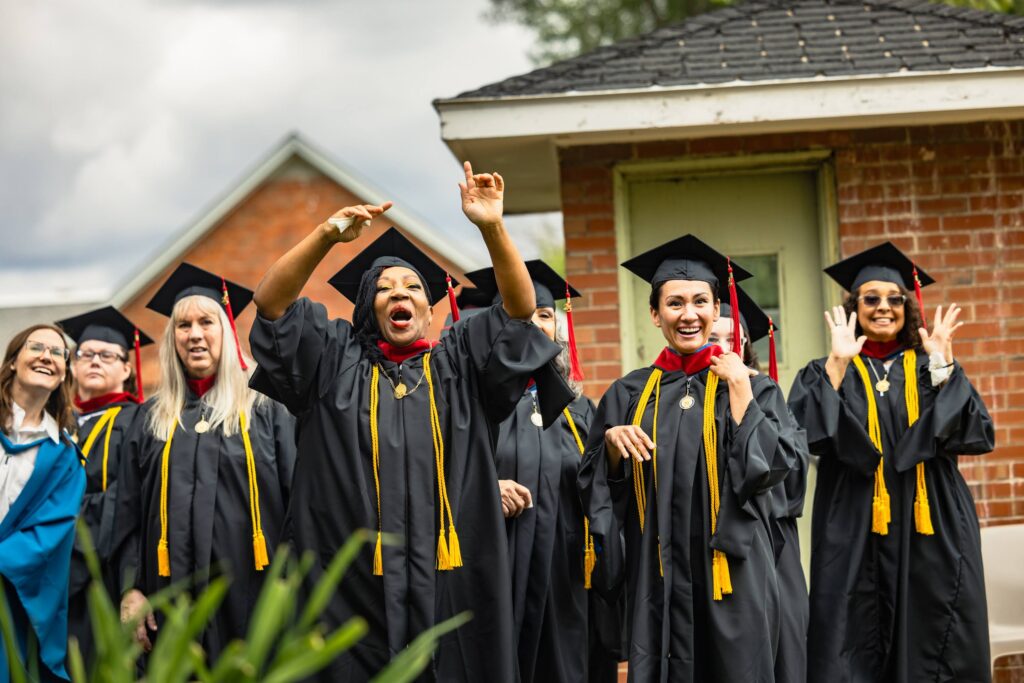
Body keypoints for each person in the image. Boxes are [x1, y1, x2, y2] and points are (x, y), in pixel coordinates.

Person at [247, 163, 573, 681]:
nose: (399, 293)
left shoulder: (461, 362)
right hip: (349, 588)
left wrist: (491, 227)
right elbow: (270, 307)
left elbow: (518, 312)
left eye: (413, 286)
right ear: (366, 308)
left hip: (450, 580)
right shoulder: (333, 361)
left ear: (429, 307)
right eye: (383, 288)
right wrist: (326, 236)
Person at [578, 234, 802, 681]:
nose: (689, 314)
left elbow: (777, 473)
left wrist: (740, 393)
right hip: (656, 576)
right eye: (675, 303)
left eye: (700, 301)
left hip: (732, 573)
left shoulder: (755, 388)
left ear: (717, 310)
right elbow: (594, 488)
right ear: (655, 314)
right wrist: (612, 450)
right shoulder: (629, 393)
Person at [788, 241, 994, 682]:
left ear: (908, 306)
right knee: (849, 633)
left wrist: (942, 365)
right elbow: (805, 433)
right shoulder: (824, 371)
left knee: (936, 629)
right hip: (854, 522)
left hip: (930, 521)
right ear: (853, 307)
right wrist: (838, 364)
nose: (884, 307)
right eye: (871, 299)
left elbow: (976, 432)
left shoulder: (929, 367)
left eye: (894, 299)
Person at [116, 264, 295, 660]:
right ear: (172, 340)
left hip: (257, 599)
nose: (194, 334)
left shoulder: (268, 409)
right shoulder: (149, 420)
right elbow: (126, 514)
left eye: (206, 322)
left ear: (227, 332)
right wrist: (130, 589)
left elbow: (298, 507)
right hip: (167, 602)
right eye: (183, 326)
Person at [462, 260, 596, 682]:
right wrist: (485, 488)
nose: (536, 325)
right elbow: (439, 472)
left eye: (544, 315)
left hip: (565, 576)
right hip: (493, 568)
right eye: (522, 315)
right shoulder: (472, 405)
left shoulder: (580, 410)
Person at [709, 287, 810, 683]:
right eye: (712, 338)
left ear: (747, 346)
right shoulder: (677, 395)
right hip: (702, 544)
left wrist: (742, 396)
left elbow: (788, 472)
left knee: (775, 650)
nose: (722, 349)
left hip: (764, 542)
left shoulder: (765, 392)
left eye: (732, 340)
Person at [56, 306, 152, 663]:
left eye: (108, 355)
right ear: (74, 365)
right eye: (86, 354)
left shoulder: (138, 422)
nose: (95, 361)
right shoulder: (55, 423)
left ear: (127, 369)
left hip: (107, 569)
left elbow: (132, 502)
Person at [0, 325, 86, 682]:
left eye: (58, 353)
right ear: (13, 362)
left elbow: (49, 534)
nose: (47, 357)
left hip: (5, 593)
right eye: (37, 347)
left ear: (64, 373)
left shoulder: (64, 458)